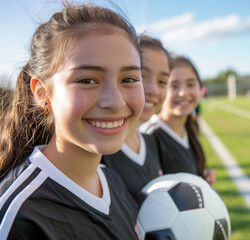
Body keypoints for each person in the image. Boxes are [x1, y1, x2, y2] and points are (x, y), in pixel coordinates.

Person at [0, 2, 144, 239]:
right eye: (87, 80)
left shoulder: (112, 182)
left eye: (129, 79)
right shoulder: (19, 217)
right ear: (43, 93)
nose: (115, 102)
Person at [102, 34, 170, 201]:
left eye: (162, 81)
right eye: (139, 77)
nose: (153, 90)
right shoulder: (99, 148)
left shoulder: (152, 142)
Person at [141, 56, 216, 185]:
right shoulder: (149, 136)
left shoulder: (188, 129)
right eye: (174, 86)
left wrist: (202, 181)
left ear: (200, 88)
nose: (183, 93)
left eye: (191, 84)